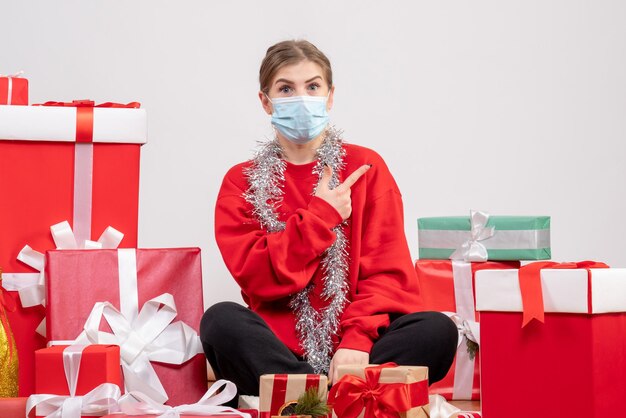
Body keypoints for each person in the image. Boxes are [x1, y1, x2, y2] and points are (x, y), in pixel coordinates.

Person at [200, 39, 458, 398]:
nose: (301, 98)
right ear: (266, 101)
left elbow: (387, 273)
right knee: (220, 321)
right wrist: (320, 218)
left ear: (329, 96)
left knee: (436, 329)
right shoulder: (240, 181)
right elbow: (255, 274)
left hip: (360, 351)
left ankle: (304, 397)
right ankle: (334, 395)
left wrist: (356, 342)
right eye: (286, 88)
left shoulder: (366, 167)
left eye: (312, 86)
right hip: (279, 350)